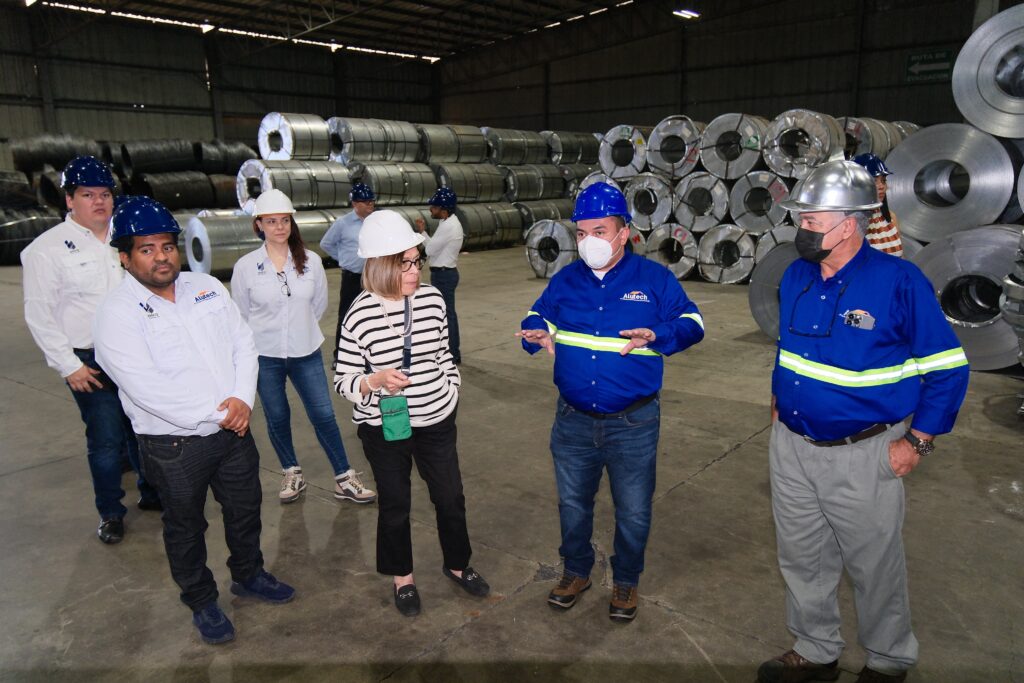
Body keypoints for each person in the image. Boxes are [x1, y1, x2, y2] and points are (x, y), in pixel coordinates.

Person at [758, 160, 969, 683]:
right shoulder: (796, 275)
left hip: (863, 453)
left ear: (849, 223)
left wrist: (916, 442)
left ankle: (889, 659)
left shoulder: (898, 282)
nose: (801, 229)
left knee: (874, 566)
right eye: (801, 219)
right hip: (792, 447)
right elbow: (791, 351)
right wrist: (778, 400)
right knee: (802, 557)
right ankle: (815, 649)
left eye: (811, 220)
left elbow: (948, 370)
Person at [93, 196, 295, 646]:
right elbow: (146, 387)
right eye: (146, 249)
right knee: (186, 526)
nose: (161, 256)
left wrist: (242, 400)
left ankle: (248, 575)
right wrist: (221, 412)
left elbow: (243, 343)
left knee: (245, 510)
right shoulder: (116, 315)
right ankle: (202, 600)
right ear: (124, 257)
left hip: (233, 432)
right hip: (174, 445)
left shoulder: (206, 287)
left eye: (166, 246)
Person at [517, 182, 705, 623]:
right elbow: (538, 313)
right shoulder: (565, 280)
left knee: (634, 508)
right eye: (581, 234)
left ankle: (626, 579)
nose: (589, 242)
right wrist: (535, 329)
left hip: (633, 423)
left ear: (624, 233)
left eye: (599, 231)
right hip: (573, 420)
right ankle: (576, 571)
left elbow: (693, 322)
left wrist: (661, 334)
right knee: (573, 504)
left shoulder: (654, 280)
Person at [334, 209, 488, 617]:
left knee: (450, 497)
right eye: (404, 264)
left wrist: (450, 390)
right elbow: (344, 380)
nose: (415, 271)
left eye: (416, 261)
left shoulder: (434, 300)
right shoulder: (358, 315)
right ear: (381, 266)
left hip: (436, 418)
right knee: (396, 502)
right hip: (385, 426)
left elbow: (443, 353)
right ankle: (403, 578)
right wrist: (373, 382)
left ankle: (458, 564)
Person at [21, 156, 159, 545]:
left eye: (104, 194)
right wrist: (69, 366)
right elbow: (39, 315)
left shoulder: (126, 238)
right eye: (87, 195)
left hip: (134, 352)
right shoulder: (45, 251)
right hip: (89, 360)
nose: (99, 202)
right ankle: (111, 512)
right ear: (69, 200)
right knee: (106, 439)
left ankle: (151, 493)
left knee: (142, 427)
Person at [231, 189, 375, 505]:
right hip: (264, 355)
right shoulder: (246, 267)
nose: (280, 227)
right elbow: (240, 313)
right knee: (277, 415)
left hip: (306, 352)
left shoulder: (309, 261)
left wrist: (298, 329)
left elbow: (319, 305)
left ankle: (343, 476)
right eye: (272, 221)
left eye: (285, 220)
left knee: (323, 414)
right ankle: (291, 471)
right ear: (259, 225)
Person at [320, 183, 376, 350]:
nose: (370, 205)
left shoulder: (375, 222)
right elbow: (326, 244)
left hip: (372, 278)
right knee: (347, 315)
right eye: (366, 202)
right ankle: (341, 354)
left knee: (371, 315)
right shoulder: (343, 224)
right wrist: (342, 259)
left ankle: (367, 353)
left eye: (372, 202)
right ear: (355, 204)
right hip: (352, 277)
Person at [414, 187, 464, 364]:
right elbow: (433, 248)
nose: (431, 210)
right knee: (446, 314)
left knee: (447, 315)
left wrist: (422, 234)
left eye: (434, 207)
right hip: (444, 273)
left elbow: (428, 249)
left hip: (444, 275)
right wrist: (424, 233)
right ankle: (450, 351)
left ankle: (453, 353)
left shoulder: (449, 226)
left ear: (444, 209)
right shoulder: (447, 222)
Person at [852, 153, 903, 258]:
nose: (881, 187)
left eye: (883, 181)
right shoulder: (850, 224)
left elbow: (901, 260)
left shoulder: (890, 217)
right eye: (874, 181)